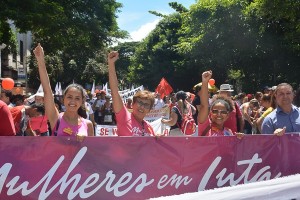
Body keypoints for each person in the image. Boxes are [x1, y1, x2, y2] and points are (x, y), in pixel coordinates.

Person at [33, 43, 94, 138]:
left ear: (82, 101)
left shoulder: (88, 125)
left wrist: (84, 141)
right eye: (69, 97)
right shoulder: (56, 119)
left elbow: (91, 150)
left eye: (77, 98)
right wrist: (40, 60)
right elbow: (47, 91)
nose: (73, 101)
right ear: (63, 99)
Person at [108, 51, 155, 136]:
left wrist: (158, 139)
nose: (142, 107)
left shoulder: (149, 128)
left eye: (146, 105)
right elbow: (114, 91)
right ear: (133, 104)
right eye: (140, 102)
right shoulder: (124, 116)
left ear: (149, 110)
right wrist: (111, 64)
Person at [197, 71, 243, 138]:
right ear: (210, 113)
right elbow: (204, 105)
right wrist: (205, 81)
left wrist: (238, 139)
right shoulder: (205, 126)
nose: (219, 114)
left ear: (227, 115)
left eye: (223, 112)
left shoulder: (229, 132)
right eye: (215, 111)